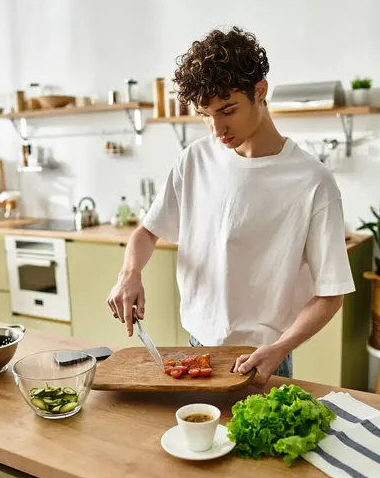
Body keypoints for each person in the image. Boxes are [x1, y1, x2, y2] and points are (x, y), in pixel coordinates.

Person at [107, 26, 355, 386]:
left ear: (260, 91)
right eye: (205, 114)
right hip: (195, 348)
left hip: (261, 359)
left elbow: (331, 296)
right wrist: (129, 273)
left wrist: (283, 347)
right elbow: (147, 232)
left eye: (227, 110)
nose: (216, 129)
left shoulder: (313, 182)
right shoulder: (194, 160)